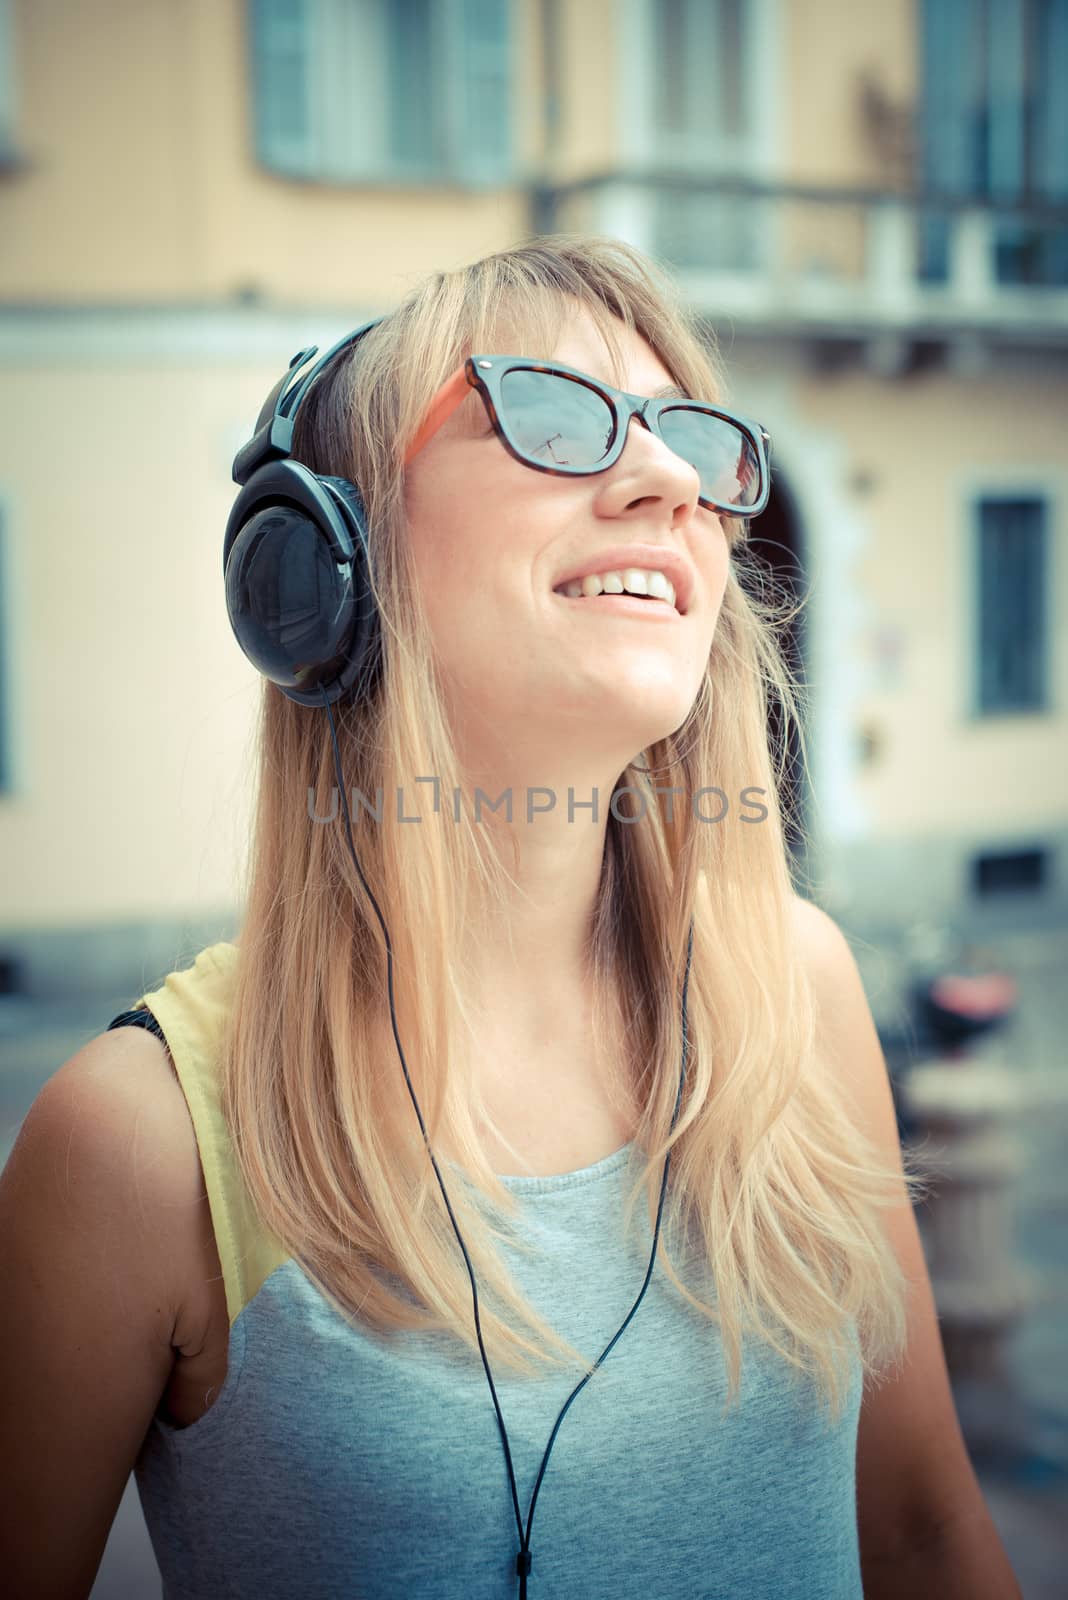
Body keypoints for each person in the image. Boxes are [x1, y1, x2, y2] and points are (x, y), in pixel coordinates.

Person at [0, 236, 1020, 1599]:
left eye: (691, 438)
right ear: (323, 562)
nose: (667, 483)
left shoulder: (800, 986)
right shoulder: (141, 1146)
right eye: (551, 415)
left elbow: (922, 1540)